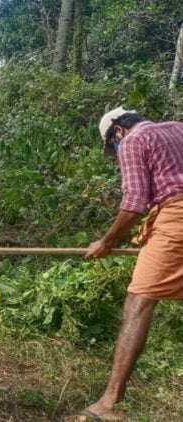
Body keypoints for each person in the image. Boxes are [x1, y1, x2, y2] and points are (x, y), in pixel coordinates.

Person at [75, 107, 183, 422]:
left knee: (138, 300)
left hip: (177, 218)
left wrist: (106, 242)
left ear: (117, 132)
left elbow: (134, 203)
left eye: (112, 147)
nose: (115, 151)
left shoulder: (134, 140)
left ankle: (109, 404)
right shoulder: (177, 127)